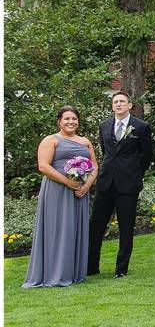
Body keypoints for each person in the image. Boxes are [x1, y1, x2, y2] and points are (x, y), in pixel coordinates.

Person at [23, 106, 97, 288]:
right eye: (67, 119)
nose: (71, 122)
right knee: (57, 229)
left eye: (74, 118)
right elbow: (43, 166)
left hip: (79, 192)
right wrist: (67, 182)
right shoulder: (51, 140)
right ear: (59, 121)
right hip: (57, 190)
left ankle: (73, 272)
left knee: (74, 228)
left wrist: (86, 185)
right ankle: (54, 273)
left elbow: (95, 166)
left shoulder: (85, 141)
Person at [88, 91, 154, 278]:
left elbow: (147, 155)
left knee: (126, 228)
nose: (118, 104)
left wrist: (134, 173)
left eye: (122, 101)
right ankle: (91, 267)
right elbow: (105, 150)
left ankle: (121, 269)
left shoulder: (141, 127)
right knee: (96, 226)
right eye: (115, 102)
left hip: (128, 185)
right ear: (112, 106)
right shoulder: (104, 125)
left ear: (130, 105)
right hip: (106, 183)